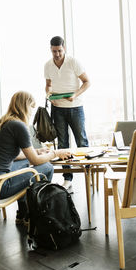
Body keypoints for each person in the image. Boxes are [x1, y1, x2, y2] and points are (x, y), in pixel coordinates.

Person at [0, 91, 72, 226]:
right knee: (46, 167)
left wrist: (38, 151)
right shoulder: (19, 125)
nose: (31, 112)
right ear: (26, 106)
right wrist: (55, 153)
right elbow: (35, 161)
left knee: (24, 163)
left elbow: (15, 155)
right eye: (31, 108)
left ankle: (23, 213)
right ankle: (38, 213)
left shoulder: (3, 122)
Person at [45, 36, 90, 190]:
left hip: (75, 107)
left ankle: (88, 174)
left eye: (59, 51)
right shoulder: (48, 65)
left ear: (64, 48)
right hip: (57, 109)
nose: (56, 54)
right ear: (50, 49)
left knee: (81, 141)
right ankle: (67, 178)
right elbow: (48, 85)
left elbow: (87, 82)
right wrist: (49, 94)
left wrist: (75, 95)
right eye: (53, 51)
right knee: (63, 144)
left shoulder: (73, 62)